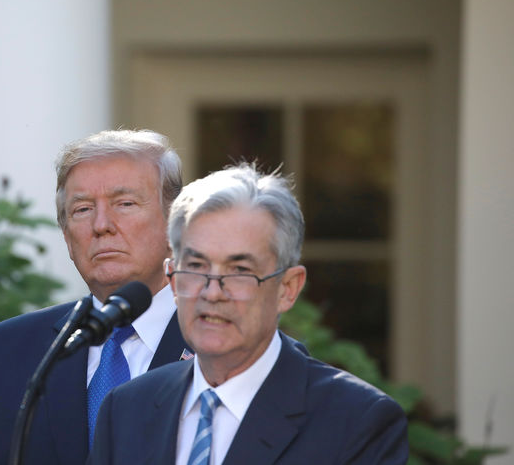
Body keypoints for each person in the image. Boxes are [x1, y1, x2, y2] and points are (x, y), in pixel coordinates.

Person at [89, 164, 408, 465]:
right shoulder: (126, 409)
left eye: (240, 270)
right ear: (172, 279)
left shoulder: (357, 420)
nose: (212, 292)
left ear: (287, 288)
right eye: (197, 267)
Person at [0, 129, 191, 465]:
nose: (101, 225)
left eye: (125, 204)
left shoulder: (223, 345)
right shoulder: (0, 354)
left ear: (176, 222)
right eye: (83, 209)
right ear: (66, 234)